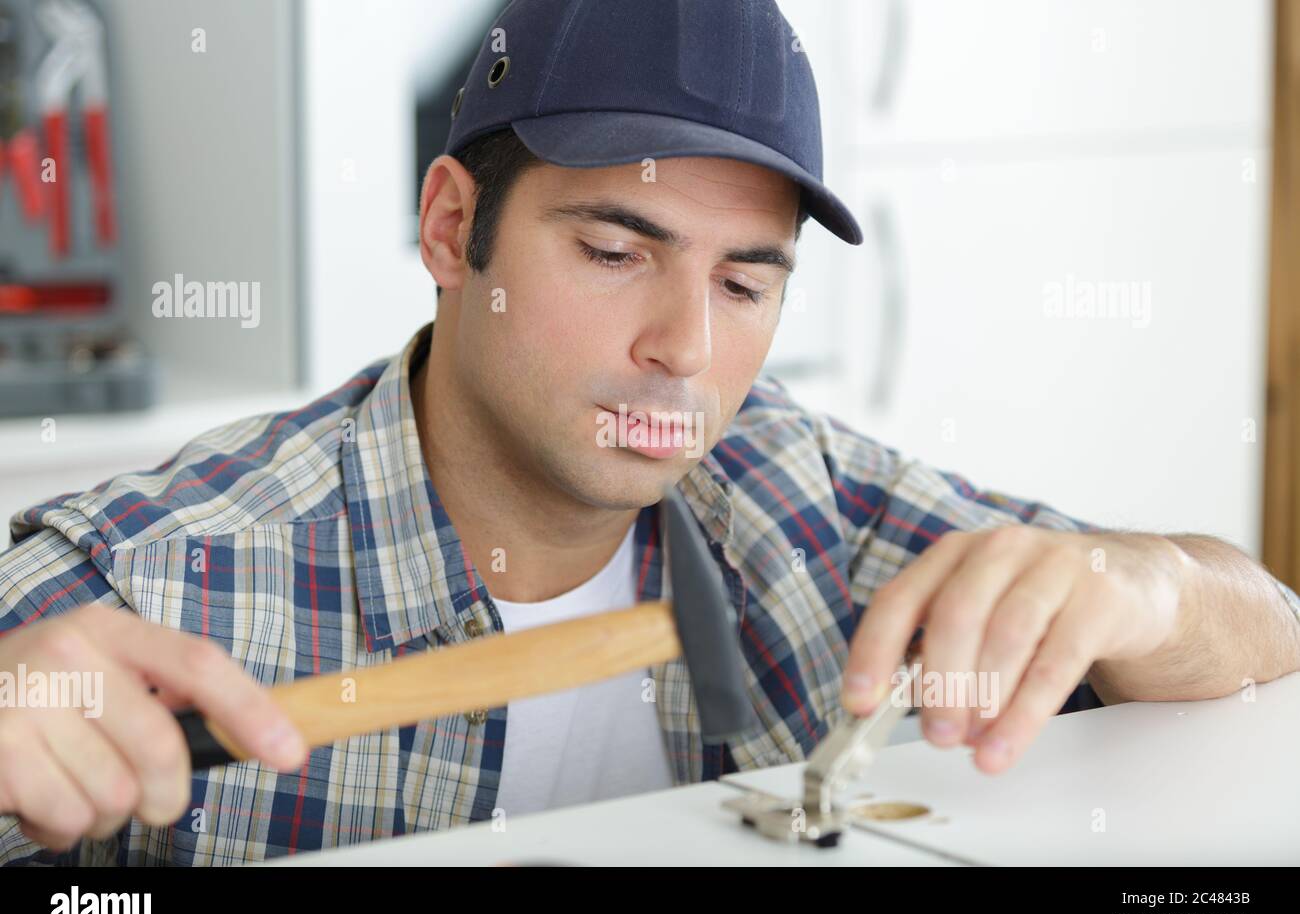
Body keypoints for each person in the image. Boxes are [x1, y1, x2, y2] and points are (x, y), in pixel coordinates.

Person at [2, 0, 1298, 865]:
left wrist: (1154, 585)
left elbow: (1269, 637)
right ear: (454, 230)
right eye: (617, 249)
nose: (685, 348)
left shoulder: (796, 493)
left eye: (746, 283)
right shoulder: (161, 578)